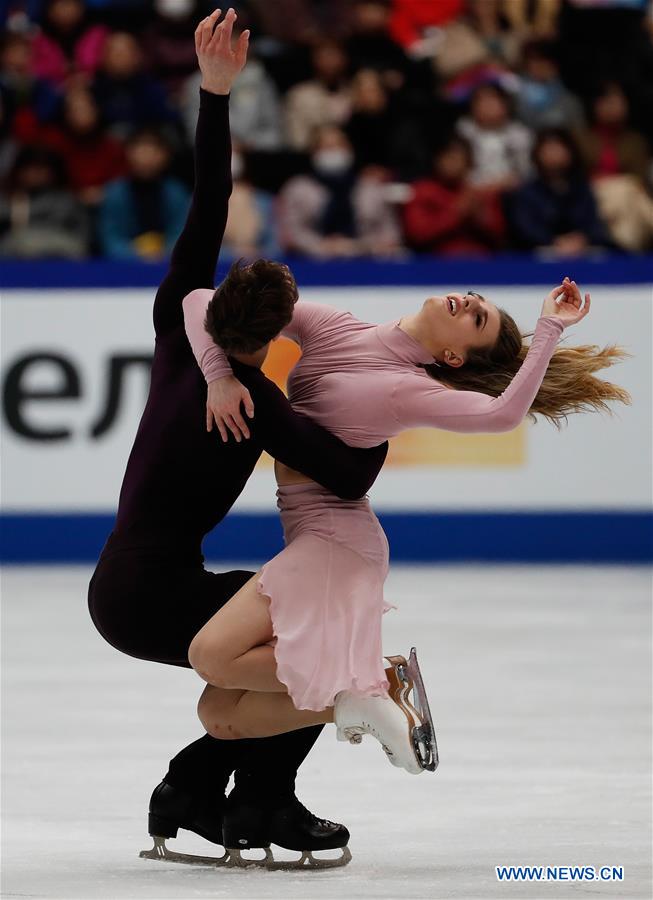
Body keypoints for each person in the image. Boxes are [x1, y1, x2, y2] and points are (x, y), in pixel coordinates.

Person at [87, 9, 388, 870]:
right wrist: (388, 401)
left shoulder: (183, 334)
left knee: (276, 622)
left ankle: (196, 788)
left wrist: (214, 95)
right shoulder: (253, 401)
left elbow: (209, 202)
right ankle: (260, 802)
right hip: (145, 597)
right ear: (277, 330)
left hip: (132, 582)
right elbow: (351, 471)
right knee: (311, 632)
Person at [182, 268, 629, 771]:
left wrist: (549, 328)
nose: (468, 298)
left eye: (478, 316)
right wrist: (218, 376)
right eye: (475, 295)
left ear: (453, 358)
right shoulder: (338, 327)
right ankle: (371, 688)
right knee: (220, 713)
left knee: (212, 656)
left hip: (336, 543)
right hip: (315, 536)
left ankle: (367, 684)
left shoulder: (407, 389)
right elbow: (200, 300)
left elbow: (501, 415)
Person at [506, 128, 612, 256]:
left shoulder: (582, 188)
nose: (554, 154)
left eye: (559, 149)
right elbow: (525, 229)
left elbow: (594, 223)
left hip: (582, 251)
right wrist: (555, 241)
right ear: (537, 154)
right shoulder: (527, 192)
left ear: (570, 152)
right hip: (540, 253)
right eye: (549, 149)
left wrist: (583, 239)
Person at [402, 135, 505, 256]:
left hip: (481, 263)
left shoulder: (481, 193)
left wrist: (480, 217)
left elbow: (500, 235)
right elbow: (417, 234)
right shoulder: (423, 191)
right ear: (436, 160)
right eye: (447, 157)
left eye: (457, 158)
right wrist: (457, 213)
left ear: (469, 163)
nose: (451, 163)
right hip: (435, 264)